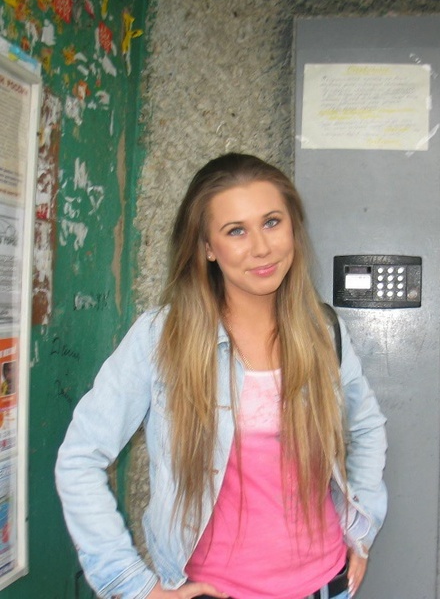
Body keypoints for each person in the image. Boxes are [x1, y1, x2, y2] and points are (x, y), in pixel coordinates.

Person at [55, 153, 387, 599]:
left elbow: (366, 426)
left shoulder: (324, 332)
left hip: (327, 584)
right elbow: (80, 457)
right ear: (208, 247)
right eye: (236, 231)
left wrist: (360, 531)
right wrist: (133, 585)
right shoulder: (162, 338)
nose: (262, 247)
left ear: (293, 226)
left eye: (272, 222)